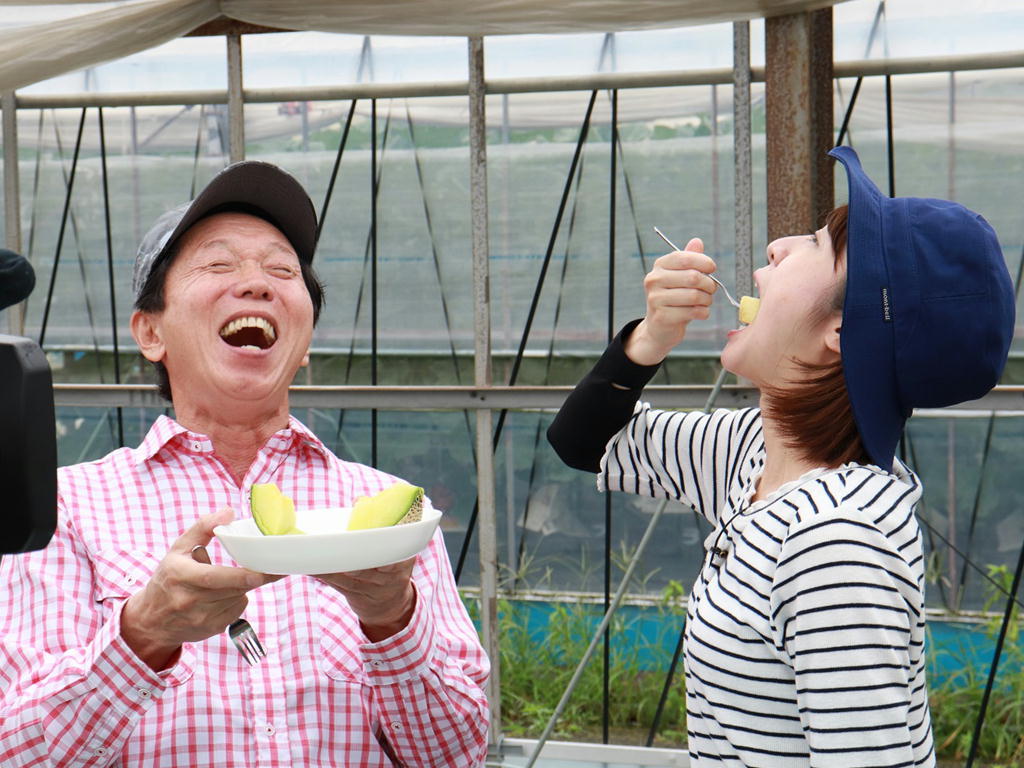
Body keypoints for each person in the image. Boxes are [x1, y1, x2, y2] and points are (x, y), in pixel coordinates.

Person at [0, 162, 490, 767]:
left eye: (283, 270)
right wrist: (142, 635)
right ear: (150, 333)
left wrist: (393, 619)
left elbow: (455, 756)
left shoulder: (392, 516)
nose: (257, 284)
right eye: (218, 265)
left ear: (305, 343)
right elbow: (18, 754)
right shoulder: (63, 508)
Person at [547, 145, 1015, 768]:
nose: (777, 247)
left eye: (817, 244)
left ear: (841, 331)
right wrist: (649, 338)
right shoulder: (754, 452)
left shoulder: (835, 540)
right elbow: (583, 442)